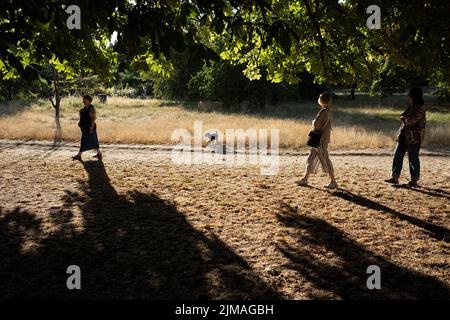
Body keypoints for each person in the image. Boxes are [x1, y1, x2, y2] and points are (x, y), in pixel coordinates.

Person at [385, 88, 426, 187]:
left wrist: (405, 119)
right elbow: (403, 116)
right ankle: (395, 177)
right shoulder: (411, 106)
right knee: (397, 155)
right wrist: (405, 118)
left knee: (413, 158)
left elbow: (410, 121)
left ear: (414, 97)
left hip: (414, 137)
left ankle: (414, 180)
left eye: (410, 95)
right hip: (404, 135)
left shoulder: (420, 108)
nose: (408, 97)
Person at [298, 92, 338, 189]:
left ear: (321, 100)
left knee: (325, 159)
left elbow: (316, 125)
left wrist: (313, 122)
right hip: (321, 138)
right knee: (311, 157)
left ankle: (333, 182)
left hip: (320, 139)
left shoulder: (323, 111)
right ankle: (305, 179)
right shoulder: (327, 111)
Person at [72, 95, 102, 161]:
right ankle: (99, 153)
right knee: (93, 140)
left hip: (90, 127)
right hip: (85, 127)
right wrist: (80, 112)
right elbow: (81, 116)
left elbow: (93, 119)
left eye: (84, 100)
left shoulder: (91, 108)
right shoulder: (85, 108)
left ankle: (79, 155)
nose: (83, 101)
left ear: (88, 100)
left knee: (84, 140)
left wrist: (91, 128)